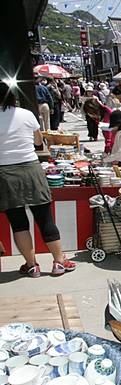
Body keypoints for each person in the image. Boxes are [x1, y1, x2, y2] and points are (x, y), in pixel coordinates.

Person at [0, 82, 76, 277]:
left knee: (18, 223)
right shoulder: (26, 114)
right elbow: (37, 141)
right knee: (44, 218)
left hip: (5, 173)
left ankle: (31, 265)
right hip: (31, 168)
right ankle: (59, 262)